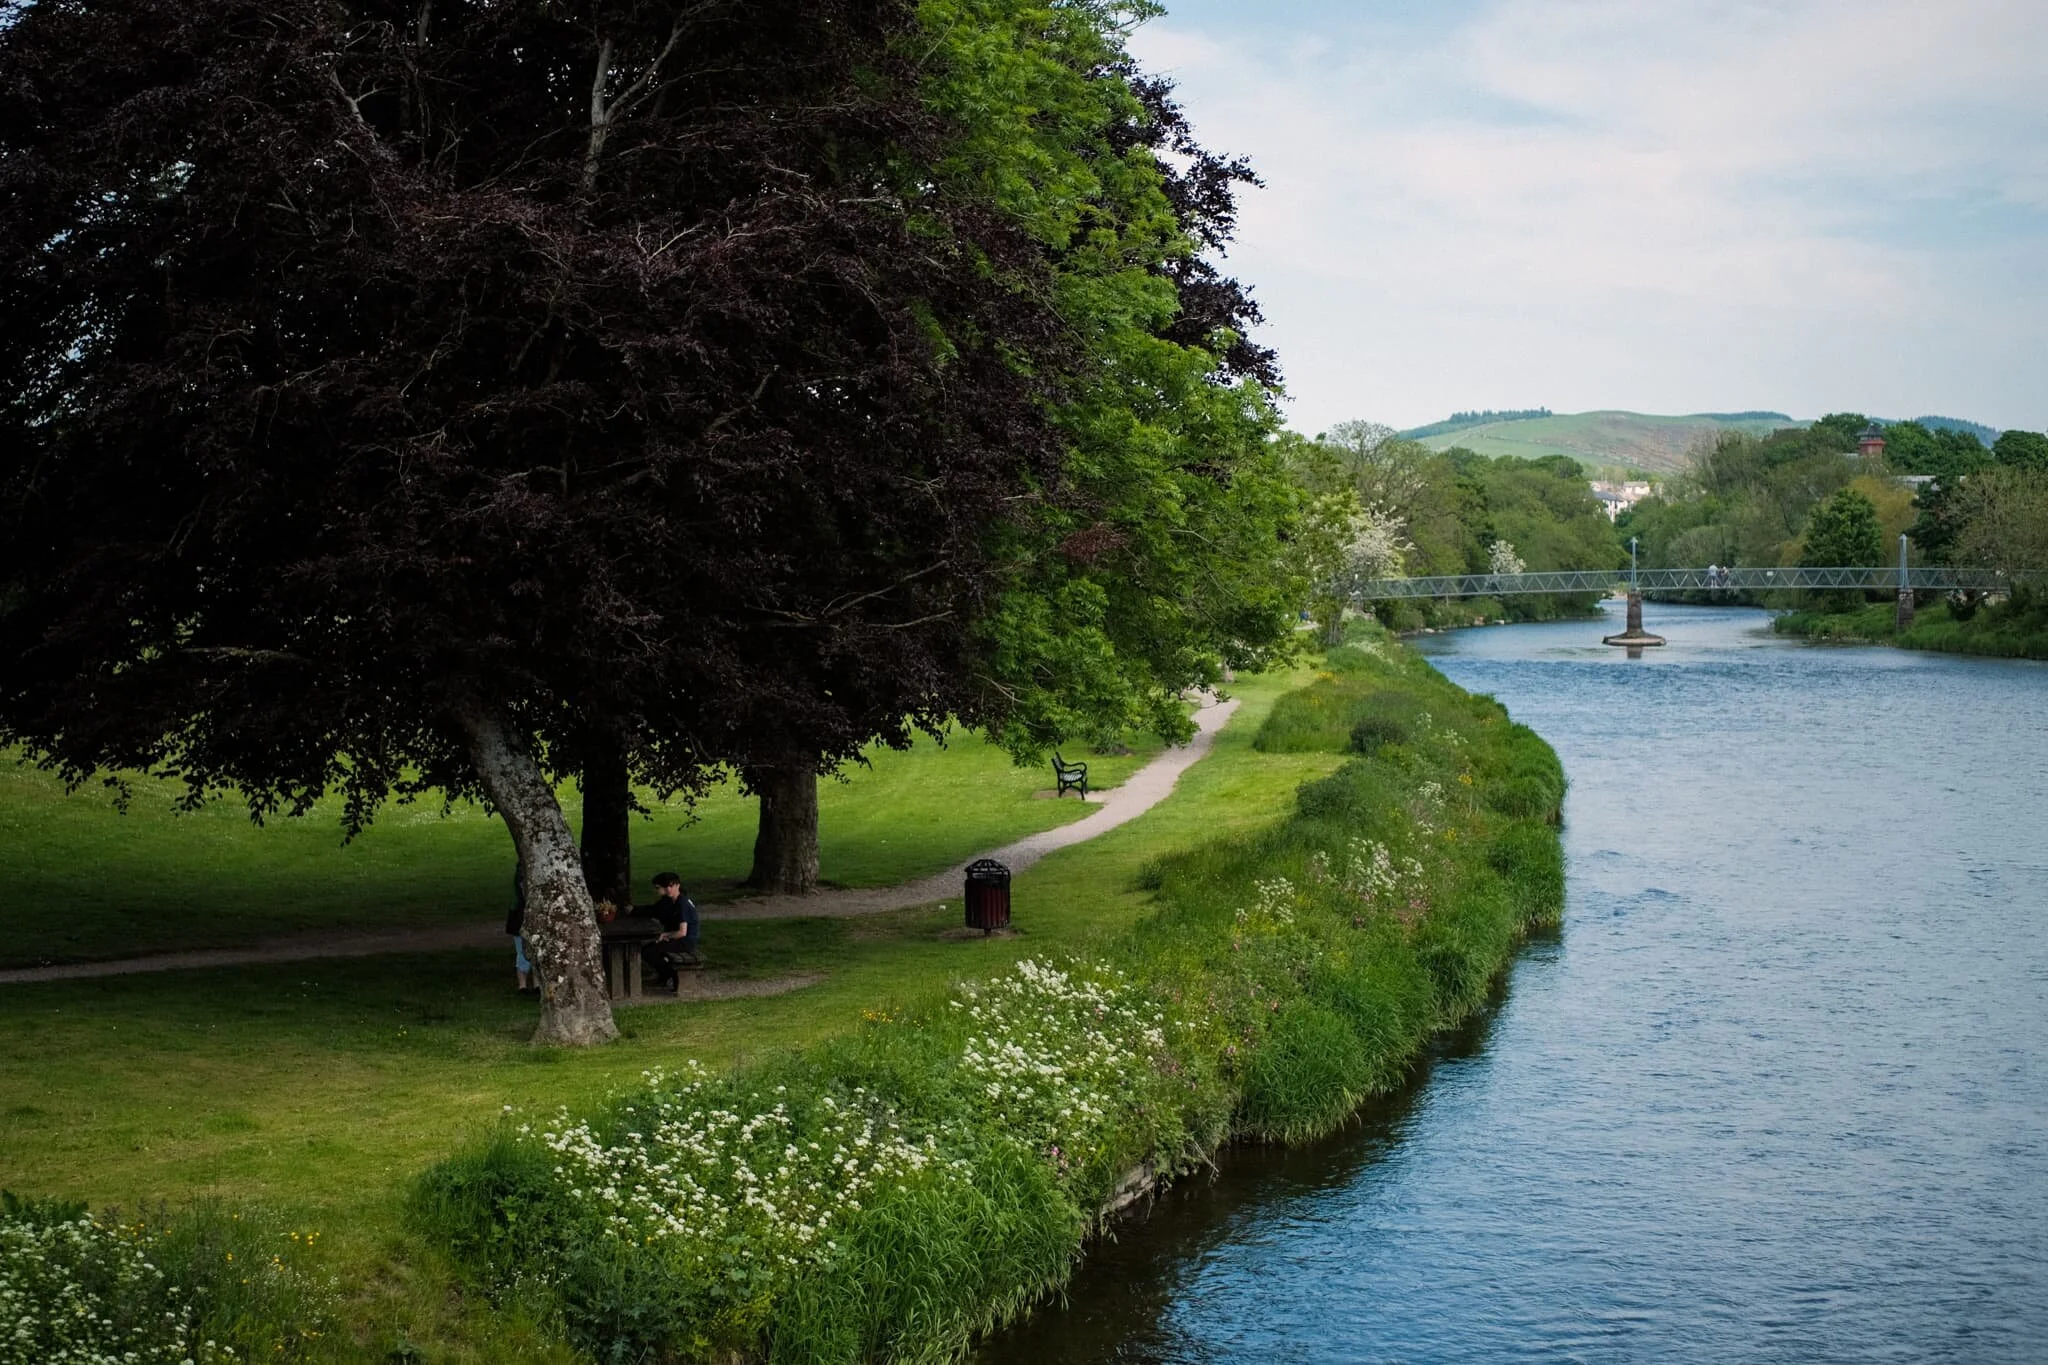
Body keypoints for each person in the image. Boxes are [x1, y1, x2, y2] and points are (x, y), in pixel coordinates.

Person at [646, 871, 703, 990]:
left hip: (686, 941)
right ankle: (665, 974)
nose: (666, 890)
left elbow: (682, 932)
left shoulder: (682, 904)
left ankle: (669, 974)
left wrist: (666, 936)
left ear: (676, 886)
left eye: (659, 887)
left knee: (650, 951)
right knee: (649, 949)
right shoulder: (674, 901)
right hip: (681, 938)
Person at [507, 862, 535, 994]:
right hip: (520, 916)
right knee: (522, 950)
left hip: (526, 914)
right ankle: (523, 985)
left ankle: (536, 984)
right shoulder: (522, 874)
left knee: (535, 949)